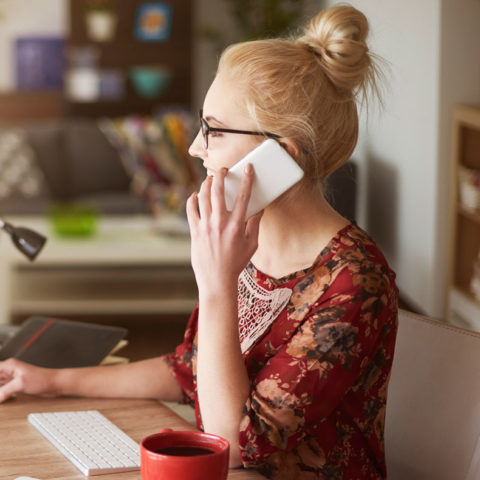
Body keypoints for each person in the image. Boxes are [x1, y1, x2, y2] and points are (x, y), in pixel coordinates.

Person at [0, 4, 398, 479]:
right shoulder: (248, 242)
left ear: (281, 157)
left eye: (214, 129)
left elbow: (232, 445)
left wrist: (216, 286)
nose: (194, 147)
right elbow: (188, 370)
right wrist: (51, 381)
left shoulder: (355, 282)